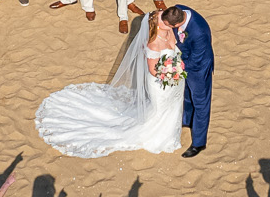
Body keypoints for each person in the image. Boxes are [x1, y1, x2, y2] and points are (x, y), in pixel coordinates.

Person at [36, 8, 186, 156]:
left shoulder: (165, 18)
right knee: (161, 108)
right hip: (161, 80)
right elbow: (153, 70)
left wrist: (177, 65)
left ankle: (171, 129)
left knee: (173, 105)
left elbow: (173, 44)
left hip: (173, 74)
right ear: (165, 23)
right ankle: (160, 135)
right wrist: (171, 73)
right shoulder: (153, 43)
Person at [166, 4, 214, 158]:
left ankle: (199, 143)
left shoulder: (199, 32)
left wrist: (176, 67)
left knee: (201, 103)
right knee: (187, 94)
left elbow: (196, 60)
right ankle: (187, 120)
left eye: (169, 27)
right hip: (185, 59)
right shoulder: (177, 9)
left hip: (198, 68)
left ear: (177, 24)